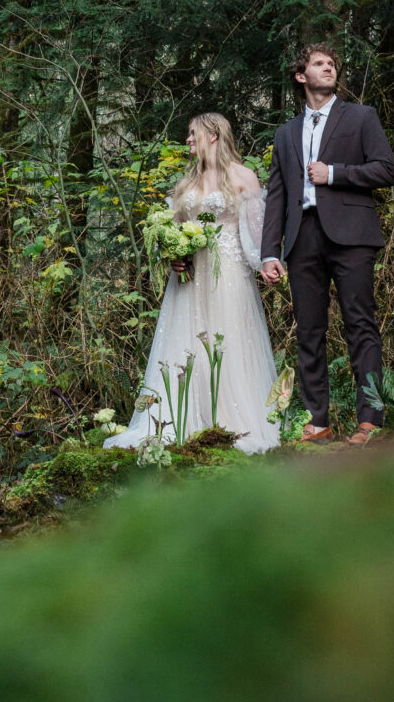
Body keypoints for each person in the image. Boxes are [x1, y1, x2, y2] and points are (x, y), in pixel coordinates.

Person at [105, 113, 280, 455]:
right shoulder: (186, 185)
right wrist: (173, 255)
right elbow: (171, 231)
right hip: (189, 278)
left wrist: (266, 265)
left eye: (192, 134)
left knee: (227, 341)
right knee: (187, 344)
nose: (187, 139)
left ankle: (234, 421)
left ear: (213, 135)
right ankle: (184, 420)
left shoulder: (243, 177)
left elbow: (256, 234)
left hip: (228, 274)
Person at [260, 44, 394, 444]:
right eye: (319, 64)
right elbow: (277, 195)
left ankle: (369, 418)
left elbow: (386, 169)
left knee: (360, 324)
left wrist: (334, 173)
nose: (328, 68)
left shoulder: (360, 116)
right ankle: (317, 420)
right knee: (309, 331)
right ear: (301, 76)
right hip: (303, 239)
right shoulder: (286, 133)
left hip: (352, 236)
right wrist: (271, 251)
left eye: (332, 64)